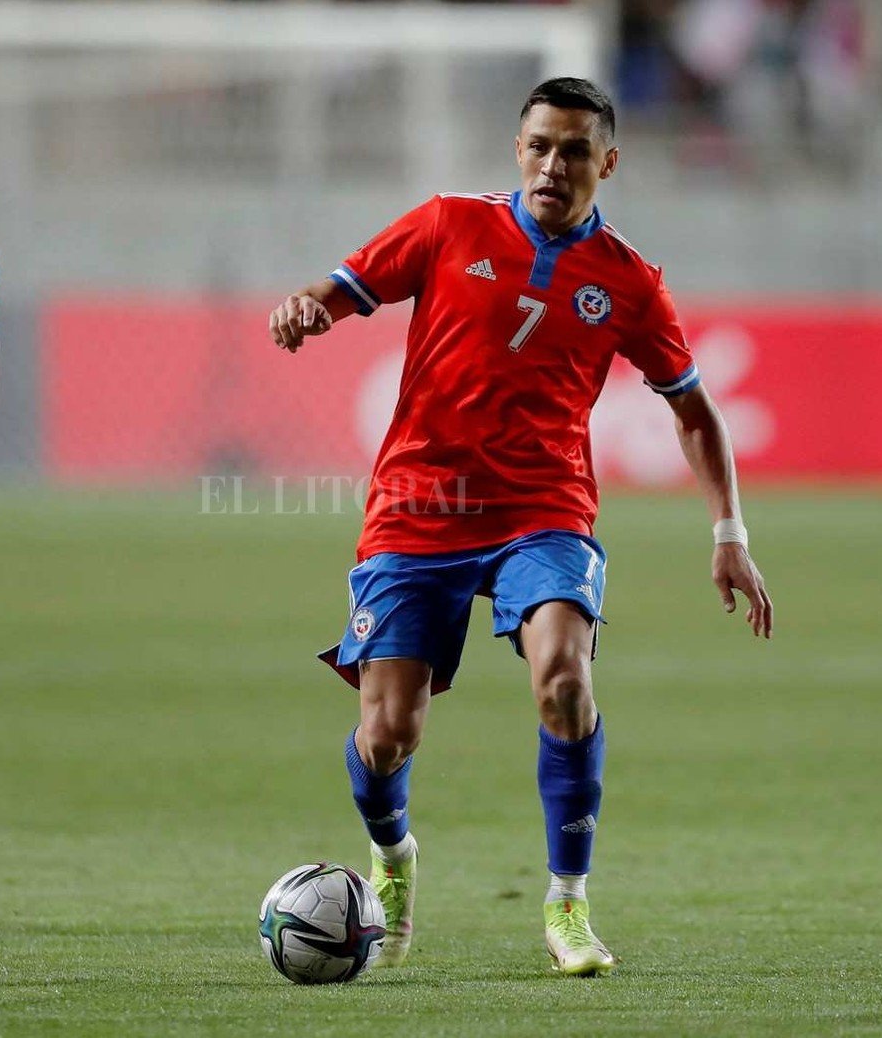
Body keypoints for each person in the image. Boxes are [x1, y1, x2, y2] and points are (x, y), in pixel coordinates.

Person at [268, 77, 772, 977]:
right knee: (388, 732)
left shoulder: (626, 280)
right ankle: (391, 860)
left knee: (563, 679)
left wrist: (726, 530)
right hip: (417, 507)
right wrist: (309, 307)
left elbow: (693, 411)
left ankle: (568, 903)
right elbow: (345, 286)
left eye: (574, 150)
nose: (553, 164)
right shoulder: (446, 224)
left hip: (544, 511)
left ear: (605, 163)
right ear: (517, 149)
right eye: (539, 145)